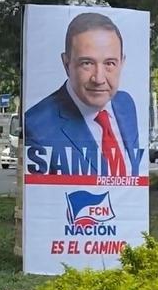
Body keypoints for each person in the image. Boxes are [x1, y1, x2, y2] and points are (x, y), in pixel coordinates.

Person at [24, 12, 140, 176]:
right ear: (66, 64)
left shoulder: (126, 104)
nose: (99, 78)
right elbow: (41, 199)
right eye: (87, 63)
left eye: (109, 63)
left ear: (122, 63)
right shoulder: (37, 126)